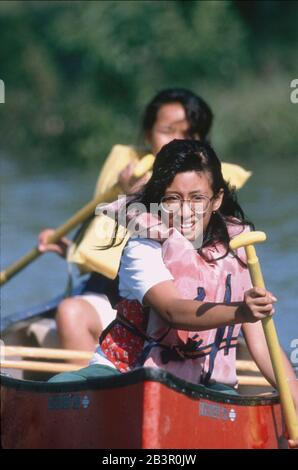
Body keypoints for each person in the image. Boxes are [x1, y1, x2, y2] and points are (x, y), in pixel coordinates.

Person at [50, 139, 298, 448]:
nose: (184, 211)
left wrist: (294, 398)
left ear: (217, 199)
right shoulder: (144, 246)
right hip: (127, 373)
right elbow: (171, 310)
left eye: (197, 198)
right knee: (57, 390)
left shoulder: (238, 249)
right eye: (172, 199)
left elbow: (261, 344)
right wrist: (239, 311)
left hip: (206, 384)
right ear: (159, 201)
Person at [38, 89, 251, 362]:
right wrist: (69, 249)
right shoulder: (138, 184)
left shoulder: (207, 178)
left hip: (195, 306)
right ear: (148, 134)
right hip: (124, 302)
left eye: (189, 133)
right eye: (168, 130)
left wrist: (133, 195)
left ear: (216, 198)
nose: (177, 139)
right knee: (71, 312)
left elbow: (196, 250)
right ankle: (81, 393)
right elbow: (115, 250)